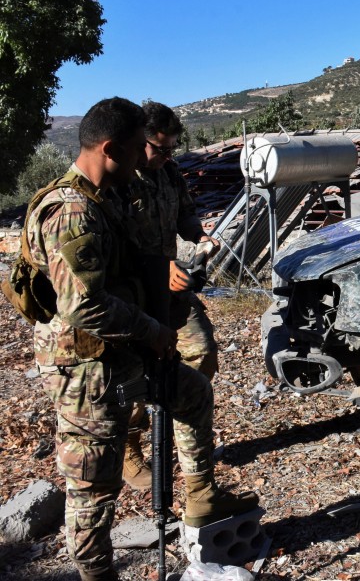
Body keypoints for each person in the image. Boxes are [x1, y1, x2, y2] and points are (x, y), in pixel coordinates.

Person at [24, 98, 257, 581]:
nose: (145, 166)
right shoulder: (70, 212)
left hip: (128, 348)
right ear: (111, 148)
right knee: (93, 489)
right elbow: (83, 307)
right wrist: (155, 331)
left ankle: (200, 496)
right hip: (83, 368)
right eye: (138, 152)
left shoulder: (108, 194)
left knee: (193, 392)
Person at [118, 101, 221, 490]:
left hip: (172, 291)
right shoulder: (118, 180)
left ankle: (183, 427)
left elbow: (186, 215)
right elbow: (113, 247)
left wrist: (200, 235)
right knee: (133, 375)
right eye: (160, 148)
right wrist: (158, 270)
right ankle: (131, 445)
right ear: (137, 141)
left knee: (202, 352)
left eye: (172, 148)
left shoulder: (169, 173)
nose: (167, 156)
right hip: (131, 296)